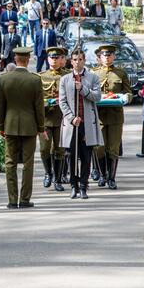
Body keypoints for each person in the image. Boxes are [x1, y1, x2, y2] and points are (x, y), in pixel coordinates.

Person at [0, 47, 45, 209]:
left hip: (10, 125)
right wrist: (41, 127)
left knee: (10, 163)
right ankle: (25, 199)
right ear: (28, 59)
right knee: (28, 163)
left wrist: (1, 126)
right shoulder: (35, 79)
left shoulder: (4, 79)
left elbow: (1, 105)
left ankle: (12, 200)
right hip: (30, 126)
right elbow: (39, 107)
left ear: (15, 59)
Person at [59, 48, 103, 199]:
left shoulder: (93, 77)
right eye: (75, 59)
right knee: (71, 155)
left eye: (81, 59)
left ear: (84, 60)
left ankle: (84, 185)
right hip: (72, 124)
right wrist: (71, 117)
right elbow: (62, 102)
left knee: (86, 155)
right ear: (71, 61)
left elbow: (97, 97)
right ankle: (73, 185)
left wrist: (82, 89)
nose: (78, 62)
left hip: (87, 124)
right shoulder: (64, 79)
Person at [93, 45, 133, 189]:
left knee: (113, 148)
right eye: (104, 55)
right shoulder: (94, 74)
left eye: (110, 55)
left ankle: (111, 178)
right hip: (99, 117)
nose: (107, 57)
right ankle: (102, 175)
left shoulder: (121, 73)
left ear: (114, 57)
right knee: (99, 148)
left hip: (115, 116)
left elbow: (128, 92)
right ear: (100, 57)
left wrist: (127, 97)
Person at [39, 47, 70, 191]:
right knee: (45, 149)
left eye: (57, 57)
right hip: (45, 119)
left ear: (61, 59)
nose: (54, 60)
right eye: (51, 57)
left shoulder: (67, 76)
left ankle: (57, 179)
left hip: (61, 118)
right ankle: (48, 173)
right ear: (47, 59)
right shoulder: (40, 76)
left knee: (60, 150)